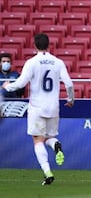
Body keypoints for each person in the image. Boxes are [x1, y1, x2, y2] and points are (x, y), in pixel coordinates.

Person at [2, 33, 74, 185]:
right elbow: (69, 84)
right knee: (48, 137)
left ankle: (47, 173)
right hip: (53, 107)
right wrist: (70, 99)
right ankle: (55, 145)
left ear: (35, 45)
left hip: (37, 107)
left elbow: (21, 83)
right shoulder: (58, 62)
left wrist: (8, 87)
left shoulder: (32, 62)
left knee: (37, 140)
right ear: (49, 45)